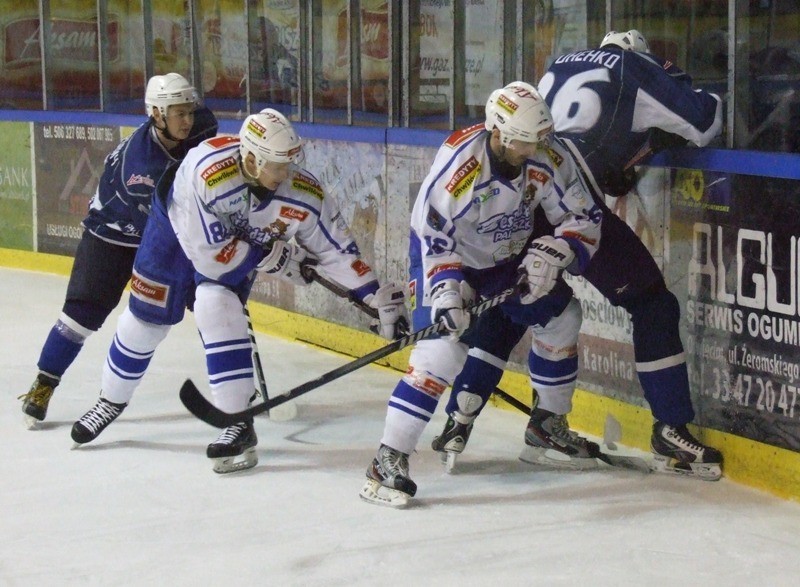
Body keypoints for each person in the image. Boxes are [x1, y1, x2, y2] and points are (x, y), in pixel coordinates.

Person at [435, 30, 725, 481]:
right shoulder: (635, 66)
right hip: (570, 200)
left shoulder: (560, 64)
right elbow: (706, 121)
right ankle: (670, 428)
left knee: (518, 304)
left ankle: (462, 413)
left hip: (522, 198)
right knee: (652, 303)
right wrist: (675, 82)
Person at [69, 109, 408, 474]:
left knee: (218, 307)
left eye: (289, 163)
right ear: (250, 158)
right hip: (172, 233)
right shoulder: (205, 171)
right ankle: (110, 401)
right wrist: (274, 257)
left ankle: (237, 422)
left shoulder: (300, 190)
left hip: (235, 250)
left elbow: (335, 250)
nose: (288, 173)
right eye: (278, 165)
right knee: (144, 322)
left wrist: (374, 298)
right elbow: (212, 259)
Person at [359, 81, 603, 508]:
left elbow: (583, 215)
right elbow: (433, 235)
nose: (535, 150)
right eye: (526, 142)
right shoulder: (460, 167)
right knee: (442, 354)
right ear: (499, 133)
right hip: (452, 258)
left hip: (508, 259)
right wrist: (448, 293)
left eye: (539, 140)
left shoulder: (547, 153)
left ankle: (546, 426)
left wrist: (557, 249)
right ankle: (387, 461)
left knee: (564, 318)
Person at [19, 73, 218, 428]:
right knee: (79, 318)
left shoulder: (203, 126)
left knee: (214, 304)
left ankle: (233, 384)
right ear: (157, 114)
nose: (188, 120)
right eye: (178, 113)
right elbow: (176, 217)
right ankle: (44, 383)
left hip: (160, 234)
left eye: (189, 111)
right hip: (111, 238)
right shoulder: (139, 169)